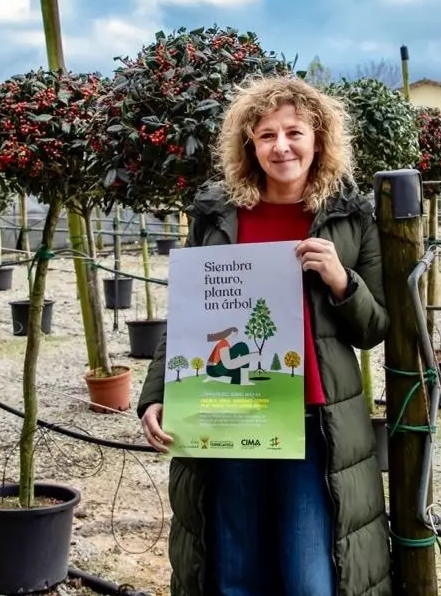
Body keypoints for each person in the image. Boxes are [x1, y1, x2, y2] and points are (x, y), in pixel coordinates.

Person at [137, 75, 392, 596]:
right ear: (249, 144)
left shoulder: (350, 216)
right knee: (234, 573)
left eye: (294, 132)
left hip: (314, 422)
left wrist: (342, 281)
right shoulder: (217, 214)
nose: (281, 147)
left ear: (318, 138)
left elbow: (374, 328)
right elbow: (187, 315)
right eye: (267, 135)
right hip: (228, 416)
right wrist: (158, 394)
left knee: (310, 577)